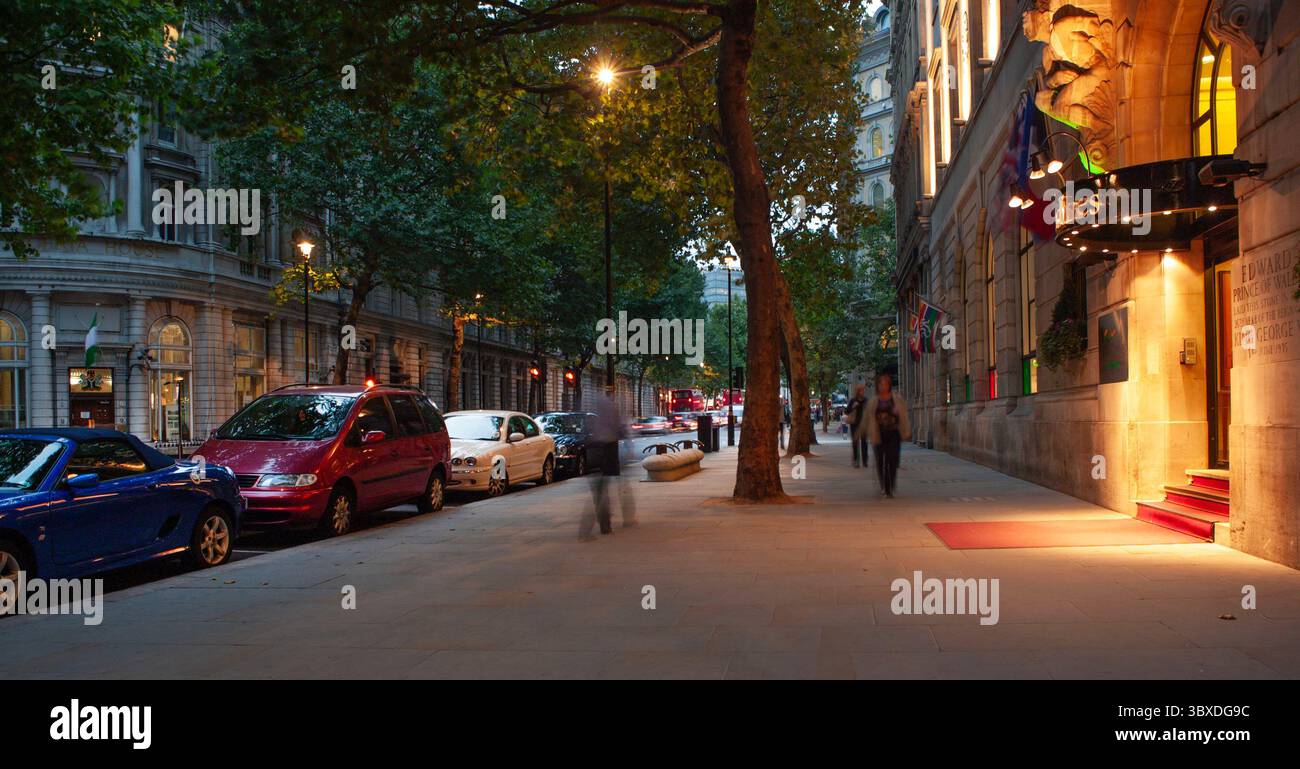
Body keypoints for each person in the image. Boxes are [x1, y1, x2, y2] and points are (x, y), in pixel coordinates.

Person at [579, 391, 637, 540]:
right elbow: (621, 426)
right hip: (609, 448)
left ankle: (603, 525)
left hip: (594, 448)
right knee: (617, 486)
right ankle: (621, 520)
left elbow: (587, 428)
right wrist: (629, 446)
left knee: (599, 490)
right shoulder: (613, 407)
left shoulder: (592, 406)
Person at [865, 373, 911, 497]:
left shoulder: (896, 399)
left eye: (886, 384)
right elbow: (868, 418)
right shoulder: (874, 401)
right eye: (881, 384)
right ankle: (885, 487)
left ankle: (891, 483)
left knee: (893, 460)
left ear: (889, 385)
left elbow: (904, 415)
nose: (883, 386)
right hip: (879, 434)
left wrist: (905, 431)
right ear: (878, 386)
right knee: (881, 462)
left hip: (893, 433)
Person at [843, 384, 870, 468]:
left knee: (864, 443)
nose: (862, 392)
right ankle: (856, 460)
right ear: (857, 391)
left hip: (864, 424)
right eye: (861, 390)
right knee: (855, 443)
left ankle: (865, 461)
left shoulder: (866, 400)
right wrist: (853, 407)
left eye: (863, 390)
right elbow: (846, 412)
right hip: (854, 424)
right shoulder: (853, 400)